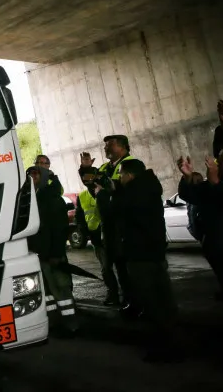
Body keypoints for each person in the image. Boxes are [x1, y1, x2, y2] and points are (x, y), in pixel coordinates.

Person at [112, 159, 180, 363]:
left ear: (130, 175)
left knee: (152, 303)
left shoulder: (133, 194)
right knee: (164, 302)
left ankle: (165, 349)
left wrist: (114, 193)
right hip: (155, 254)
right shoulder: (149, 188)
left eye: (122, 175)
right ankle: (172, 345)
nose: (120, 179)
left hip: (141, 256)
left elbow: (119, 211)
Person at [80, 134, 136, 312]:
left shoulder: (132, 163)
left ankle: (136, 301)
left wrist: (104, 187)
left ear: (122, 147)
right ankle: (127, 300)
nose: (105, 148)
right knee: (117, 265)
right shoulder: (105, 167)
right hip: (110, 226)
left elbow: (117, 189)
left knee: (129, 267)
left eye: (109, 145)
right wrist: (86, 168)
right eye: (105, 145)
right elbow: (92, 184)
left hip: (125, 225)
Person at [26, 166, 78, 337]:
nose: (32, 177)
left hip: (53, 255)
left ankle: (71, 324)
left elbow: (59, 228)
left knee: (61, 289)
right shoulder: (31, 198)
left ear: (43, 177)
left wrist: (57, 253)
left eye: (36, 174)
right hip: (39, 254)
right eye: (30, 174)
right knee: (47, 292)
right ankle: (55, 323)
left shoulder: (51, 198)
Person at [179, 153, 223, 303]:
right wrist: (187, 177)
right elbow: (189, 195)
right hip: (217, 247)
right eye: (219, 158)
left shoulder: (219, 184)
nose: (219, 161)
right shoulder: (209, 185)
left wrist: (216, 182)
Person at [74, 166, 119, 305]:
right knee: (106, 269)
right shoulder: (82, 196)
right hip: (97, 239)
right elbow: (80, 217)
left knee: (122, 268)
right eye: (84, 177)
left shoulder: (108, 190)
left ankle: (130, 296)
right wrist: (85, 232)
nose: (86, 179)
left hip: (113, 236)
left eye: (89, 176)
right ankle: (113, 294)